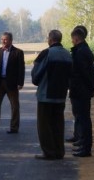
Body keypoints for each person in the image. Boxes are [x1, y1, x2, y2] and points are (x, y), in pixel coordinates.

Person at [31, 30, 72, 160]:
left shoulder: (46, 53)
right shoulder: (67, 54)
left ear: (50, 39)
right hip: (60, 95)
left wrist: (36, 81)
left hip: (46, 94)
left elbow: (36, 73)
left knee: (44, 124)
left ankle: (48, 152)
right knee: (58, 124)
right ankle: (59, 151)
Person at [0, 32, 25, 134]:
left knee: (15, 106)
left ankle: (14, 128)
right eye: (2, 39)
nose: (3, 41)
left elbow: (21, 69)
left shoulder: (18, 52)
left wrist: (20, 83)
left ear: (11, 40)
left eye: (5, 39)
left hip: (12, 84)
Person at [69, 25, 94, 157]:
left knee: (84, 119)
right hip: (81, 89)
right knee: (81, 117)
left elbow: (85, 73)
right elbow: (91, 71)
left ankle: (86, 148)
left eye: (72, 39)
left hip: (81, 90)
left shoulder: (81, 52)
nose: (71, 41)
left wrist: (92, 87)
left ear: (76, 38)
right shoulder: (83, 50)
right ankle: (82, 143)